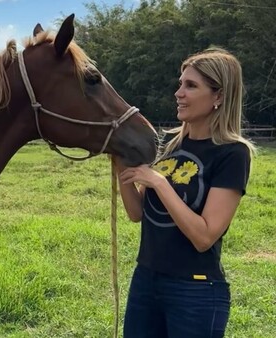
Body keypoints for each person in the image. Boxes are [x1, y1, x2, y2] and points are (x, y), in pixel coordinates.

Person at [115, 47, 255, 338]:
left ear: (219, 96)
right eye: (180, 84)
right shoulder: (168, 144)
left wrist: (160, 182)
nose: (179, 92)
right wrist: (119, 164)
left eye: (191, 86)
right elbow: (137, 213)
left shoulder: (232, 153)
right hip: (145, 280)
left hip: (195, 290)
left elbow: (204, 237)